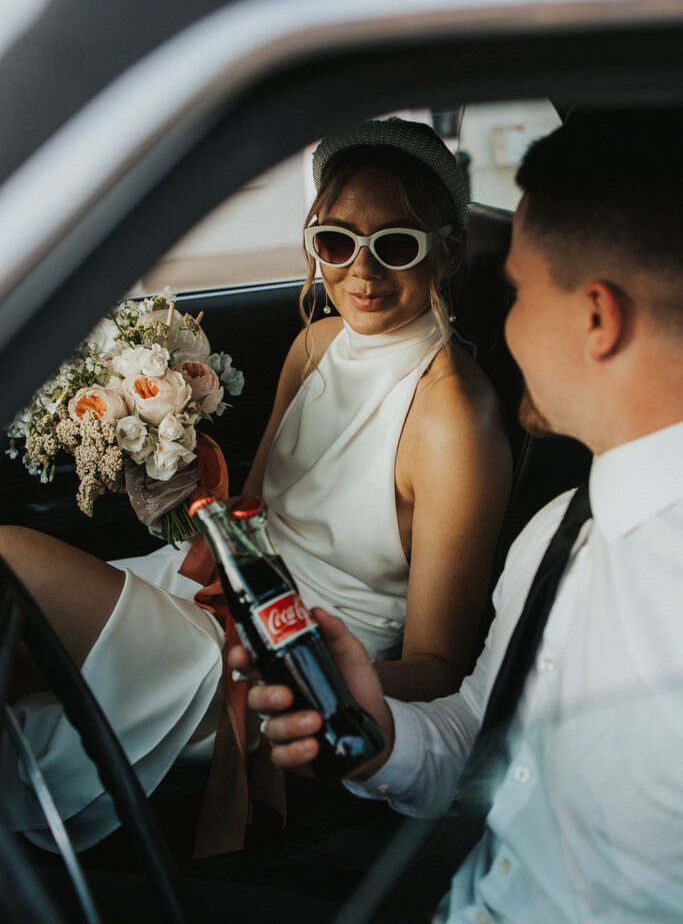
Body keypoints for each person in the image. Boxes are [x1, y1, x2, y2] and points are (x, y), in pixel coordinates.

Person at [1, 117, 512, 855]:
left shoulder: (452, 422)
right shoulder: (315, 344)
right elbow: (249, 516)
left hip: (285, 656)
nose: (361, 275)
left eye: (395, 246)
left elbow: (437, 667)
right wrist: (165, 475)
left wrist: (304, 694)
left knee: (11, 558)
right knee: (19, 642)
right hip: (219, 594)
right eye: (336, 243)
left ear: (448, 249)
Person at [234, 108, 683, 922]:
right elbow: (481, 730)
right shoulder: (557, 536)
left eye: (514, 291)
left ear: (595, 318)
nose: (498, 322)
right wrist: (379, 731)